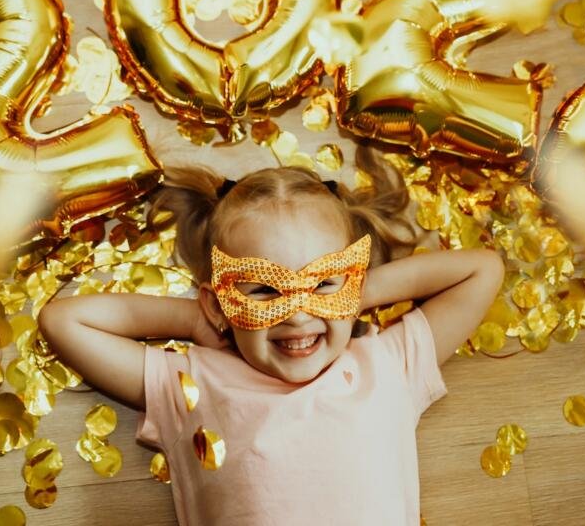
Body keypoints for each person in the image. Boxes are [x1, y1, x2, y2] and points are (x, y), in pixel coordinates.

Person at [38, 144, 504, 525]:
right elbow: (64, 321)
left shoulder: (387, 365)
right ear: (219, 300)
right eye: (265, 290)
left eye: (322, 282)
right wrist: (197, 320)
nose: (299, 315)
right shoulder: (194, 386)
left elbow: (483, 270)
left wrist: (356, 295)